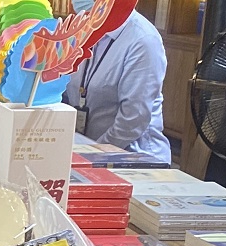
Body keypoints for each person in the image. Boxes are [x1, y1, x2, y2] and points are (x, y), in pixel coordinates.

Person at [61, 7, 170, 165]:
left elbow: (132, 120)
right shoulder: (83, 28)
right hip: (86, 149)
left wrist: (90, 155)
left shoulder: (143, 39)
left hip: (133, 157)